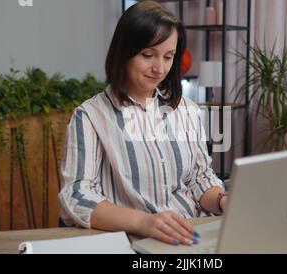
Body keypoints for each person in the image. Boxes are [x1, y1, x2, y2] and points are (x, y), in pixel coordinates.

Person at [59, 1, 228, 246]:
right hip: (135, 241)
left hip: (192, 235)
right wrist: (144, 222)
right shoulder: (90, 117)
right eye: (148, 55)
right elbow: (76, 196)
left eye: (168, 57)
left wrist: (223, 200)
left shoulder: (186, 110)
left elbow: (199, 179)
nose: (159, 68)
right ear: (124, 52)